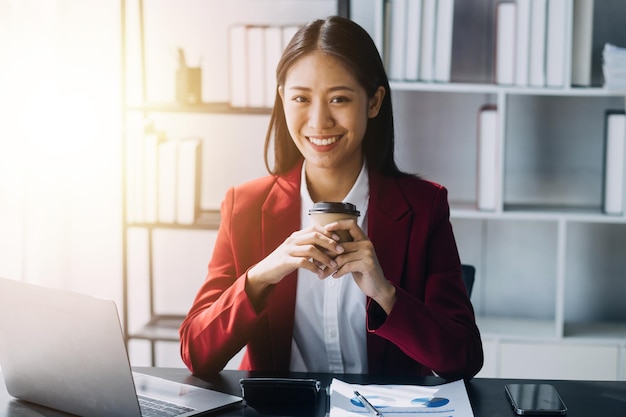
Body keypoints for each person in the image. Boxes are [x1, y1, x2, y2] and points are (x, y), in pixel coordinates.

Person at [179, 15, 483, 381]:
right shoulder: (245, 206)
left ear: (373, 102)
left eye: (339, 98)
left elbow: (463, 357)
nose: (319, 120)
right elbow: (196, 353)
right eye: (301, 98)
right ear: (282, 100)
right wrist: (261, 276)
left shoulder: (424, 208)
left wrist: (386, 294)